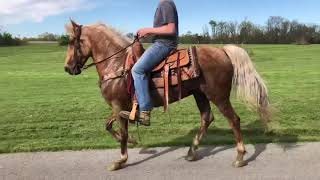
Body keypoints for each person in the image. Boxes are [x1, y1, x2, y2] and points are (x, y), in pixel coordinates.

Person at [120, 0, 179, 126]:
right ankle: (136, 106)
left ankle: (145, 111)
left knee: (137, 70)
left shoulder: (166, 4)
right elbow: (163, 29)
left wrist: (148, 30)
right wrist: (148, 34)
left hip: (164, 44)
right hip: (161, 42)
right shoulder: (163, 4)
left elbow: (171, 28)